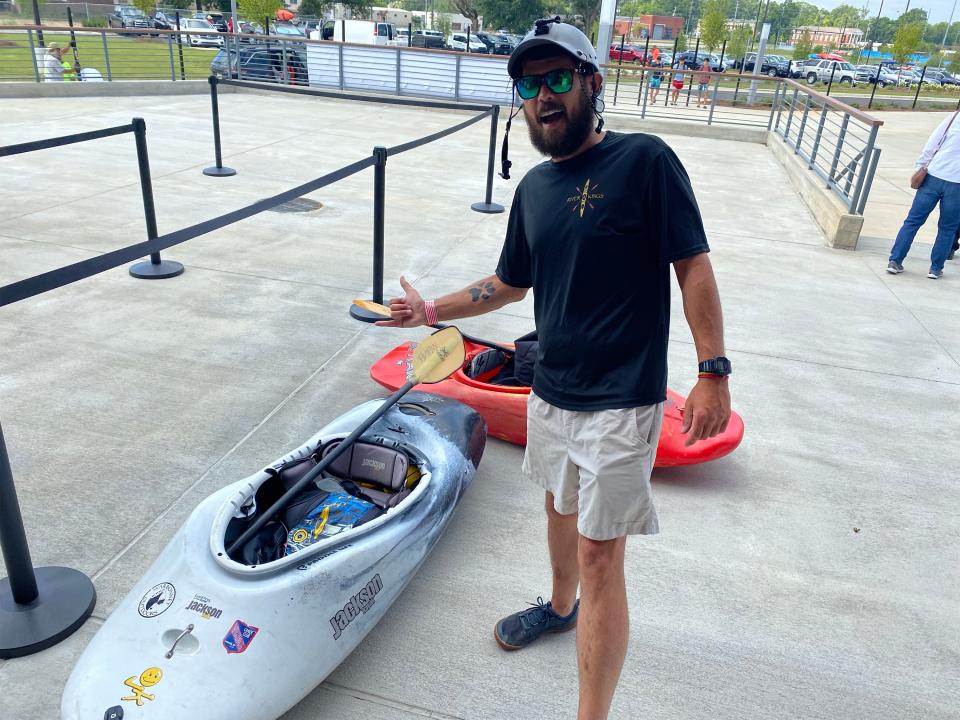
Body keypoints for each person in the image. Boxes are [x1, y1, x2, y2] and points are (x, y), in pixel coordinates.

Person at [376, 18, 731, 720]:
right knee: (556, 508)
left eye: (558, 78)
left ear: (591, 82)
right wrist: (430, 311)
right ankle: (560, 608)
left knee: (603, 555)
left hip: (622, 401)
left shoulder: (646, 162)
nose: (543, 95)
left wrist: (712, 369)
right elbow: (508, 282)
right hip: (551, 391)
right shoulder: (534, 189)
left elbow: (691, 264)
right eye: (529, 84)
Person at [887, 110, 960, 279]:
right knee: (947, 228)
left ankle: (895, 261)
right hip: (956, 186)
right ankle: (935, 268)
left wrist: (918, 167)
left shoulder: (955, 117)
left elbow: (932, 144)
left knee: (912, 221)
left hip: (933, 177)